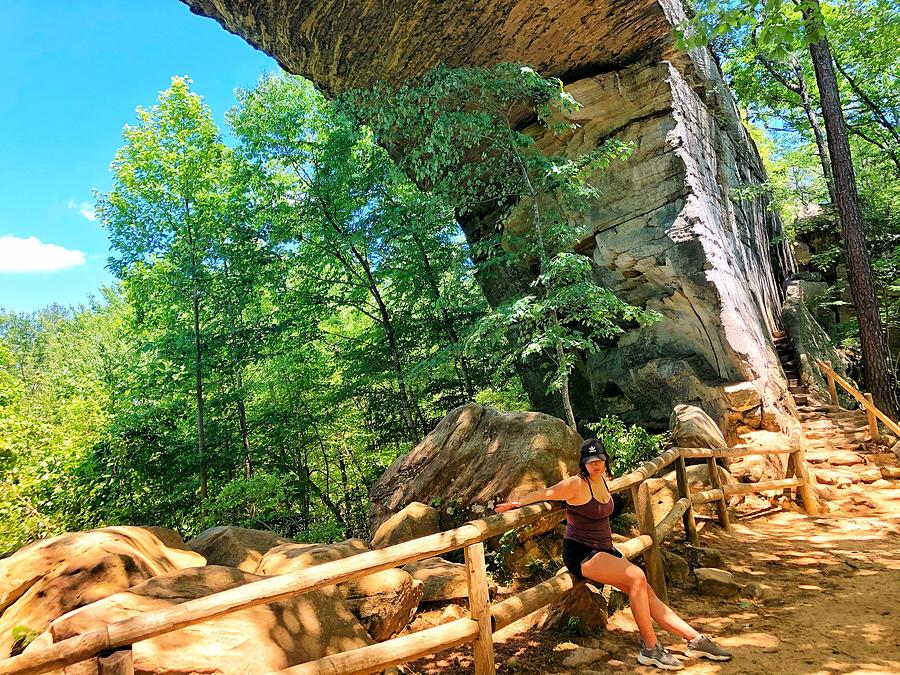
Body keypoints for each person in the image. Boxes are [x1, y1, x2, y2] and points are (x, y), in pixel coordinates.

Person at [495, 438, 732, 671]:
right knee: (638, 577)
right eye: (590, 461)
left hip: (605, 549)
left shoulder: (603, 481)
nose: (595, 464)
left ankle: (695, 639)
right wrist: (517, 504)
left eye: (598, 459)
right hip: (582, 553)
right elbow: (546, 493)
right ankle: (650, 648)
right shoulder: (576, 484)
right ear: (583, 463)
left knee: (645, 591)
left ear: (605, 460)